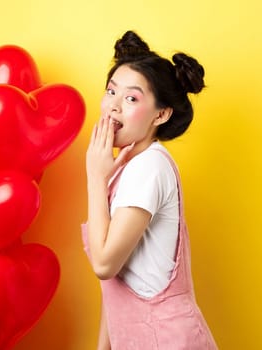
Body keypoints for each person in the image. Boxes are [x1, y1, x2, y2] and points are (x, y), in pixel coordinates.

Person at [82, 30, 217, 349]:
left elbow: (105, 265)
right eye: (111, 91)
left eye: (130, 98)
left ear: (161, 114)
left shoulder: (149, 167)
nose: (113, 107)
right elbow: (118, 286)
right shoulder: (128, 165)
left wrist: (94, 176)